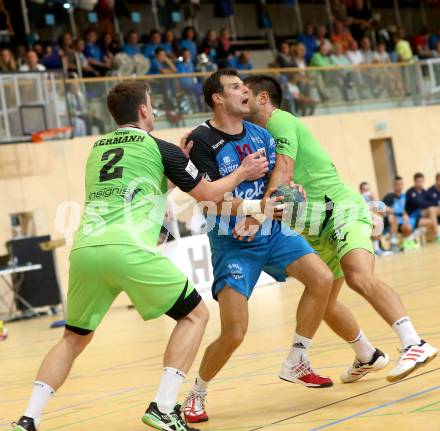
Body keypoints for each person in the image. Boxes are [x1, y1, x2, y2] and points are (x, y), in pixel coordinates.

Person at [10, 79, 269, 431]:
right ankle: (163, 407)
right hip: (127, 248)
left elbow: (138, 187)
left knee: (72, 338)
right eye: (152, 103)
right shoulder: (163, 149)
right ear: (144, 109)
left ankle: (28, 419)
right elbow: (208, 193)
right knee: (195, 315)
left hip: (86, 248)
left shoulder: (97, 149)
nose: (155, 109)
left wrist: (174, 169)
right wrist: (243, 172)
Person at [243, 74, 437, 385]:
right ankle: (367, 354)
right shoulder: (257, 135)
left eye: (245, 93)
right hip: (311, 226)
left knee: (359, 276)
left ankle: (414, 342)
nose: (240, 97)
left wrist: (260, 211)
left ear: (263, 98)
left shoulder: (279, 120)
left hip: (339, 211)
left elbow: (285, 169)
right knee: (323, 299)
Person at [182, 69, 334, 424]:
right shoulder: (202, 141)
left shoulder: (261, 135)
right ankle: (197, 394)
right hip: (231, 243)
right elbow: (209, 201)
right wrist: (248, 200)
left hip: (271, 232)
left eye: (244, 86)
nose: (244, 91)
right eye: (235, 87)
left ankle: (297, 358)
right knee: (235, 332)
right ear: (218, 98)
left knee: (322, 279)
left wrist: (285, 196)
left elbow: (278, 183)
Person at [383, 176, 419, 251]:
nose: (399, 186)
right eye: (397, 184)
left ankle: (405, 243)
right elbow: (383, 208)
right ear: (393, 185)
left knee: (408, 226)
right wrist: (394, 211)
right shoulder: (389, 196)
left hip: (402, 222)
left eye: (401, 184)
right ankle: (393, 243)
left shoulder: (405, 197)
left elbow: (406, 211)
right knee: (393, 217)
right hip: (391, 223)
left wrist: (405, 216)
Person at [406, 172, 440, 243]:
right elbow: (419, 204)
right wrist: (431, 203)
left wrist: (427, 204)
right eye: (418, 181)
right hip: (413, 215)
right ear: (414, 181)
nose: (420, 183)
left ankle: (410, 239)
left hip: (423, 214)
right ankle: (437, 235)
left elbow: (430, 202)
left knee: (431, 221)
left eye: (421, 181)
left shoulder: (424, 192)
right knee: (431, 209)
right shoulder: (410, 192)